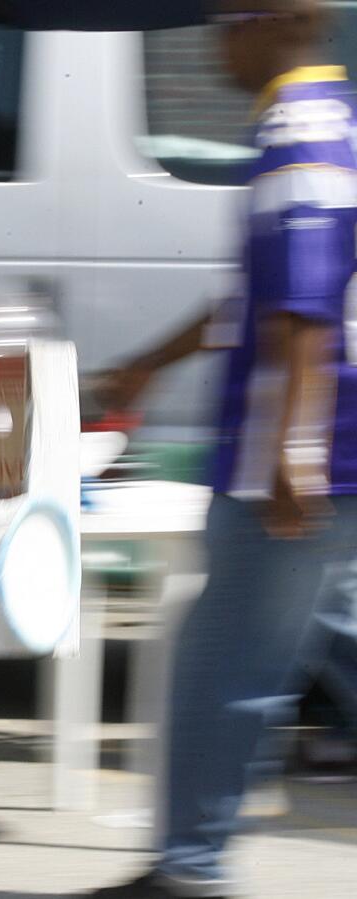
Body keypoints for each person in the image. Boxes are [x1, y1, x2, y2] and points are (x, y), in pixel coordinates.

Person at [90, 2, 357, 896]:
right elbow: (256, 300)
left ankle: (189, 869)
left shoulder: (299, 132)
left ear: (277, 20)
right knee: (320, 641)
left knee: (225, 664)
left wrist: (296, 447)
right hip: (320, 452)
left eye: (227, 18)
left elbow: (306, 302)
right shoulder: (323, 119)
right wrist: (147, 366)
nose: (214, 39)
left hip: (286, 457)